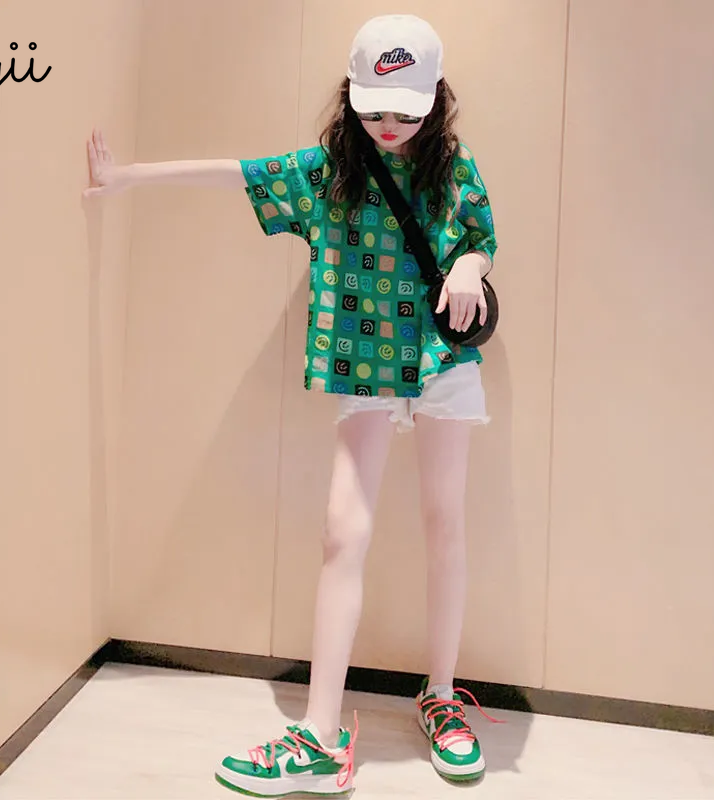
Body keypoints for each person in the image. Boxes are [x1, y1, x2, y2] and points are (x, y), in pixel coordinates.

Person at [86, 13, 499, 797]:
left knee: (445, 523)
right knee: (342, 532)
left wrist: (469, 266)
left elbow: (480, 236)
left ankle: (442, 696)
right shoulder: (325, 172)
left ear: (436, 101)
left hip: (441, 360)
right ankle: (320, 734)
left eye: (406, 111)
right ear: (350, 95)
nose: (389, 125)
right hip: (363, 362)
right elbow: (237, 172)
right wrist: (129, 177)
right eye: (375, 108)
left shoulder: (454, 167)